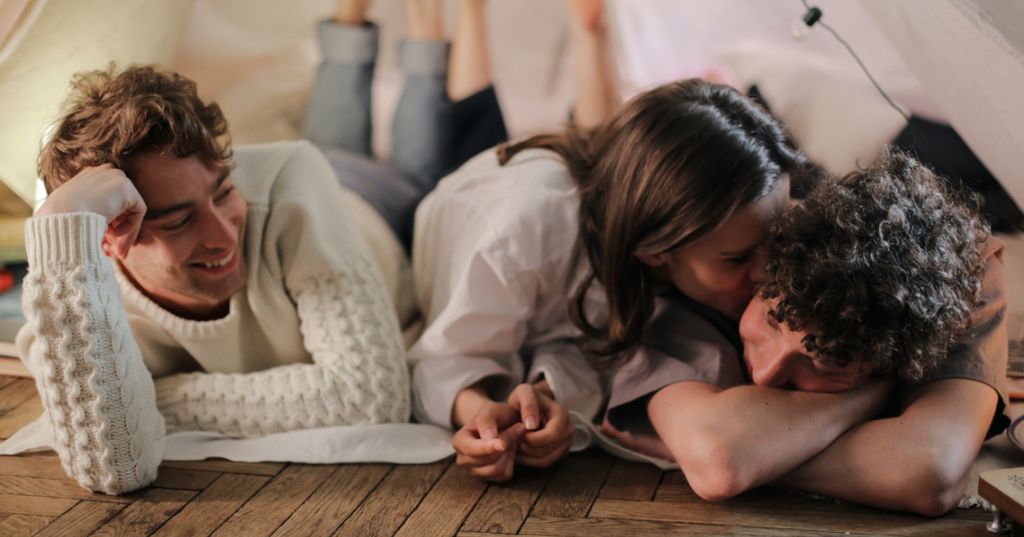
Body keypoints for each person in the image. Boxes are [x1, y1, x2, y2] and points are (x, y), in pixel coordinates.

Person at [20, 0, 506, 495]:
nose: (226, 235)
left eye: (225, 192)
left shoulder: (291, 175)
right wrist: (61, 228)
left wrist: (152, 401)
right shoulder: (75, 290)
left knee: (423, 131)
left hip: (377, 198)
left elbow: (370, 397)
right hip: (313, 184)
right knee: (350, 117)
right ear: (108, 238)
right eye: (182, 220)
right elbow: (116, 467)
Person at [409, 0, 806, 479]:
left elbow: (583, 339)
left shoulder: (654, 235)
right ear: (655, 249)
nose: (767, 273)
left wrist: (543, 395)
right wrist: (480, 415)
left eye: (777, 239)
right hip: (416, 203)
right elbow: (443, 359)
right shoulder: (515, 236)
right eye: (738, 257)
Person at [602, 147, 1007, 516]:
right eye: (772, 321)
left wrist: (756, 457)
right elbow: (721, 462)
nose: (765, 374)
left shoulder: (959, 277)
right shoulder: (710, 279)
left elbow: (929, 471)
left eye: (826, 362)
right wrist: (875, 392)